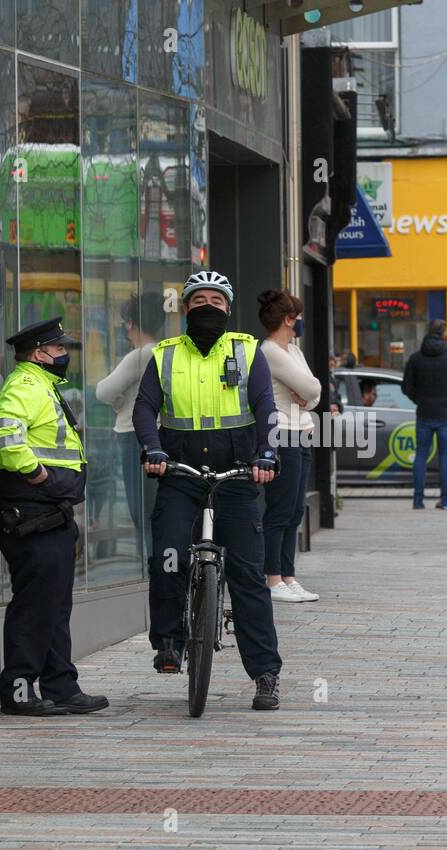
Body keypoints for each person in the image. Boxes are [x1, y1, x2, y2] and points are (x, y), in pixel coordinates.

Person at [134, 270, 284, 711]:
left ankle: (266, 673)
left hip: (237, 476)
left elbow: (266, 409)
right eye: (199, 300)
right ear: (185, 308)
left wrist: (267, 457)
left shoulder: (247, 350)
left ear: (228, 309)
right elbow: (145, 407)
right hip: (179, 473)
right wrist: (152, 449)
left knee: (248, 576)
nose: (208, 307)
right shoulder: (163, 355)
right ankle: (169, 645)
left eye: (216, 302)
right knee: (167, 558)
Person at [0, 317, 109, 717]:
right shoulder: (25, 386)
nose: (64, 355)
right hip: (30, 508)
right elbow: (3, 433)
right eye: (59, 349)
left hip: (49, 510)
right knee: (35, 603)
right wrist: (37, 473)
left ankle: (61, 685)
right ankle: (19, 689)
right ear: (39, 353)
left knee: (54, 602)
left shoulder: (43, 386)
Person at [258, 289, 322, 603]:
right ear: (287, 319)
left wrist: (307, 397)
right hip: (281, 434)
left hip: (302, 432)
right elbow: (311, 388)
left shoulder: (293, 352)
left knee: (296, 509)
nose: (298, 321)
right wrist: (306, 395)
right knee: (280, 509)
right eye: (295, 316)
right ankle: (272, 578)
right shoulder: (270, 351)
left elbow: (314, 393)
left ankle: (288, 575)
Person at [96, 292, 166, 554]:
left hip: (134, 435)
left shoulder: (140, 355)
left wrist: (120, 399)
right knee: (153, 505)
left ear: (133, 323)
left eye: (126, 321)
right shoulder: (161, 351)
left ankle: (149, 562)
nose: (125, 327)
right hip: (157, 432)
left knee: (141, 508)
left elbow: (103, 391)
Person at [401, 318, 447, 510]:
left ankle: (418, 499)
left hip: (424, 414)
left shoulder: (416, 358)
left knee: (421, 456)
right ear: (444, 334)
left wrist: (419, 399)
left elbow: (406, 386)